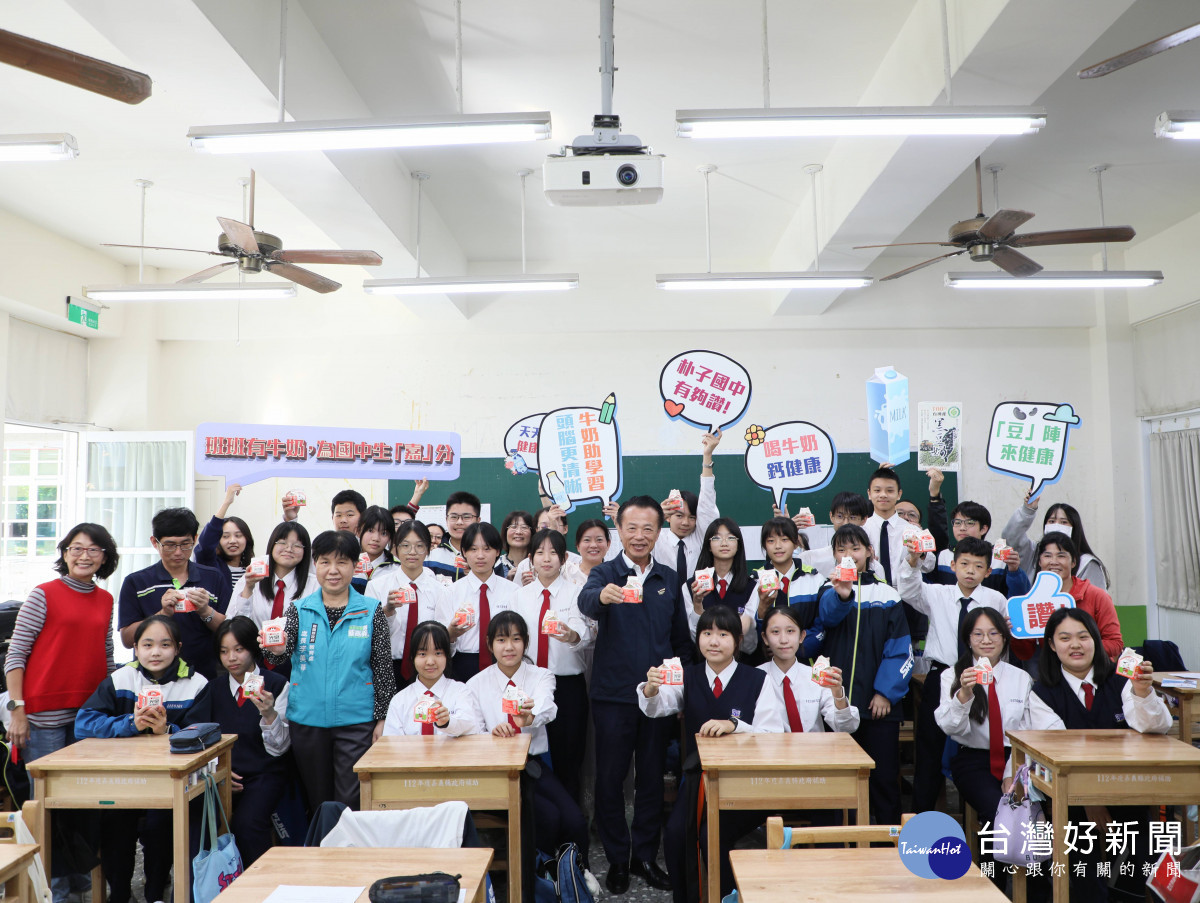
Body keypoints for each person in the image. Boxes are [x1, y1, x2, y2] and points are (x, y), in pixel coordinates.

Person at [579, 495, 693, 895]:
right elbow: (587, 601)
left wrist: (682, 697)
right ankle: (616, 858)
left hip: (658, 697)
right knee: (611, 780)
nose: (639, 536)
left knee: (650, 779)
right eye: (632, 528)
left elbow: (680, 638)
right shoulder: (604, 573)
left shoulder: (668, 579)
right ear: (619, 531)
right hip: (613, 696)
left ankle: (644, 856)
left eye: (648, 528)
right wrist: (602, 597)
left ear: (658, 532)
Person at [5, 523, 119, 903]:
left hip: (87, 720)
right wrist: (17, 710)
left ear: (105, 557)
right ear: (65, 552)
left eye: (93, 549)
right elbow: (15, 656)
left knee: (84, 805)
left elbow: (105, 659)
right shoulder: (43, 595)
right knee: (48, 808)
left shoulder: (106, 600)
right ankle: (51, 888)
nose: (84, 555)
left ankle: (80, 886)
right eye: (76, 548)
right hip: (42, 718)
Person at [640, 606, 784, 903]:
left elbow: (773, 734)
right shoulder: (687, 676)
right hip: (698, 781)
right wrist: (652, 689)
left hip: (746, 782)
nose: (714, 641)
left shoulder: (757, 679)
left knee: (712, 836)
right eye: (707, 634)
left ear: (738, 640)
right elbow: (659, 706)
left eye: (722, 634)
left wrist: (734, 725)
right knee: (677, 835)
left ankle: (729, 897)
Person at [1027, 607, 1170, 899]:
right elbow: (1060, 751)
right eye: (1065, 638)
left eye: (1083, 636)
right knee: (1083, 858)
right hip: (1070, 794)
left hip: (1126, 788)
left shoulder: (1121, 682)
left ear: (1096, 639)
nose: (1076, 645)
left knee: (1145, 851)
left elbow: (1157, 726)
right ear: (1052, 645)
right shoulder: (1042, 693)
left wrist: (1143, 692)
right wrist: (1088, 800)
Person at [75, 615, 207, 903]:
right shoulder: (121, 678)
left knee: (161, 826)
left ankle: (155, 893)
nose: (155, 652)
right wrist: (130, 725)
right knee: (113, 822)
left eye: (164, 645)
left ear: (178, 648)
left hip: (171, 782)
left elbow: (205, 733)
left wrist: (168, 731)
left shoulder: (196, 683)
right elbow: (83, 723)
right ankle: (119, 894)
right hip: (124, 778)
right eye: (147, 645)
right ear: (135, 647)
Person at [261, 530, 396, 810]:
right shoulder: (298, 609)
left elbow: (383, 668)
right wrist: (272, 650)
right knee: (318, 800)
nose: (333, 571)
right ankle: (322, 852)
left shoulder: (371, 611)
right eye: (324, 562)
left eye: (342, 562)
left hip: (356, 722)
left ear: (355, 566)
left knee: (350, 799)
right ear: (315, 565)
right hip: (308, 721)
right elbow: (277, 655)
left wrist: (383, 718)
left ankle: (347, 852)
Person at [467, 611, 590, 864]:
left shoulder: (541, 675)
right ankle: (538, 878)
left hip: (533, 765)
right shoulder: (476, 684)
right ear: (490, 644)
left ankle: (577, 875)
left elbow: (548, 707)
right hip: (497, 770)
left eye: (516, 639)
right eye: (501, 640)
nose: (509, 647)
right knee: (548, 817)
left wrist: (530, 717)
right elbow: (474, 732)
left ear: (525, 642)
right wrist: (492, 733)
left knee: (575, 820)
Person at [896, 536, 1006, 813]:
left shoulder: (995, 599)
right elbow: (908, 589)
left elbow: (1002, 641)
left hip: (983, 678)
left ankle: (985, 811)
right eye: (964, 564)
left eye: (978, 566)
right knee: (930, 748)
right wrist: (912, 560)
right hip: (942, 674)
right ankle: (922, 815)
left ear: (988, 571)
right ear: (953, 565)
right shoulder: (938, 593)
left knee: (980, 744)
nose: (970, 571)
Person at [818, 524, 912, 824]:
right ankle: (839, 846)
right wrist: (843, 594)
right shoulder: (827, 589)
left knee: (883, 779)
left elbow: (900, 649)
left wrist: (886, 692)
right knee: (837, 782)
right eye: (841, 550)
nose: (849, 555)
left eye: (855, 548)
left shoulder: (887, 594)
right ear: (834, 555)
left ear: (869, 552)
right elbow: (826, 619)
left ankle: (888, 845)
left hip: (879, 707)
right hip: (837, 705)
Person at [185, 617, 290, 867]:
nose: (231, 658)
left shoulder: (277, 685)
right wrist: (216, 770)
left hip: (264, 774)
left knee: (248, 823)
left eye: (238, 649)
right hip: (220, 775)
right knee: (195, 818)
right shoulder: (213, 689)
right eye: (223, 651)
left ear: (253, 649)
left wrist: (269, 713)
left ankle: (259, 887)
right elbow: (194, 737)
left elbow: (281, 748)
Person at [934, 608, 1031, 874]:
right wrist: (964, 693)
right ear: (967, 638)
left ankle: (1035, 890)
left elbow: (1027, 731)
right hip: (973, 760)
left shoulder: (1020, 678)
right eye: (978, 634)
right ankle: (992, 885)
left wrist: (1013, 774)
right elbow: (949, 727)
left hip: (1017, 759)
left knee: (1032, 812)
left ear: (1004, 638)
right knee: (997, 813)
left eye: (993, 633)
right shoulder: (952, 676)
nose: (986, 640)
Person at [513, 529, 595, 803]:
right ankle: (537, 824)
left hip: (567, 686)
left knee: (568, 758)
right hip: (529, 685)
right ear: (530, 559)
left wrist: (570, 634)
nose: (546, 559)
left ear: (564, 558)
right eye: (539, 553)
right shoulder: (520, 596)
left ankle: (571, 828)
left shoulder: (577, 592)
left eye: (553, 553)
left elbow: (585, 632)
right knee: (529, 756)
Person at [117, 507, 229, 680]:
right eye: (169, 545)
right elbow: (126, 639)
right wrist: (163, 615)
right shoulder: (136, 582)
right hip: (152, 681)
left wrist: (205, 612)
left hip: (204, 677)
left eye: (185, 544)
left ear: (195, 539)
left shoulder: (213, 577)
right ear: (155, 542)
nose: (178, 552)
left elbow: (228, 632)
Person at [1010, 533, 1123, 663]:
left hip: (1094, 673)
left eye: (1061, 556)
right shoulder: (1033, 600)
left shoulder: (1097, 596)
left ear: (1074, 562)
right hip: (1054, 675)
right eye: (1047, 556)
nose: (1054, 562)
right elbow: (1025, 653)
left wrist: (1079, 650)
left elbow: (1115, 643)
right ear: (1040, 562)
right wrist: (1016, 632)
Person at [367, 520, 448, 689]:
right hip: (388, 668)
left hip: (428, 669)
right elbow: (370, 636)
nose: (412, 552)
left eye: (419, 546)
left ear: (428, 549)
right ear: (395, 548)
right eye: (405, 546)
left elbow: (443, 636)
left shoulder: (441, 591)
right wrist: (388, 611)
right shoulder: (377, 586)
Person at [436, 522, 517, 681]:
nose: (480, 555)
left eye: (487, 549)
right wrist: (451, 634)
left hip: (504, 664)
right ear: (464, 552)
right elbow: (439, 641)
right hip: (462, 665)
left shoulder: (514, 592)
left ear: (497, 552)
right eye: (473, 549)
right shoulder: (450, 593)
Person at [758, 606, 858, 734]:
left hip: (813, 751)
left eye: (790, 631)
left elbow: (846, 727)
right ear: (765, 638)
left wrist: (838, 694)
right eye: (775, 632)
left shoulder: (817, 676)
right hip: (771, 751)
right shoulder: (755, 677)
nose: (783, 640)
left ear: (802, 636)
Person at [382, 620, 483, 736]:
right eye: (422, 654)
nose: (430, 662)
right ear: (412, 657)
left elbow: (470, 726)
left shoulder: (461, 691)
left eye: (438, 653)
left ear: (447, 656)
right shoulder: (400, 700)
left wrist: (447, 723)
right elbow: (392, 744)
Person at [653, 430, 722, 595]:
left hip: (699, 604)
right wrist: (656, 518)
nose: (685, 522)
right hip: (664, 606)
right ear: (668, 517)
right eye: (679, 515)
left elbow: (706, 501)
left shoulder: (701, 536)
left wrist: (707, 456)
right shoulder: (655, 539)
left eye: (692, 517)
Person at [1004, 494, 1111, 591]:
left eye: (1064, 522)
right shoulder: (1033, 552)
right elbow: (1010, 537)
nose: (1056, 526)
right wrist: (1027, 511)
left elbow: (1098, 602)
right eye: (1051, 521)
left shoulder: (1087, 563)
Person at [755, 517, 824, 662]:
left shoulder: (814, 578)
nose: (778, 546)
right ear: (764, 546)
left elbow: (821, 625)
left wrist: (795, 647)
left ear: (795, 543)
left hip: (807, 663)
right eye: (771, 541)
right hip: (766, 664)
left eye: (784, 539)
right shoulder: (755, 580)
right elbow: (750, 629)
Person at [928, 501, 1031, 598]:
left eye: (970, 523)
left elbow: (1019, 597)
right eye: (957, 522)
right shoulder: (943, 556)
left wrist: (1014, 571)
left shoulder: (1000, 558)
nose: (962, 528)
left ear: (983, 529)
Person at [227, 521, 317, 631]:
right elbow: (234, 623)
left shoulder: (314, 585)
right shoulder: (250, 578)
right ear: (272, 545)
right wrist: (249, 588)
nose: (289, 549)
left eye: (297, 545)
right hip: (256, 646)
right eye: (282, 543)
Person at [684, 518, 756, 654]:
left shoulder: (752, 586)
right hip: (703, 664)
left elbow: (748, 637)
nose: (724, 543)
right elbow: (693, 635)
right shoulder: (690, 586)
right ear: (708, 546)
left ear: (738, 545)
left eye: (730, 538)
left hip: (741, 662)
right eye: (716, 538)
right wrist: (698, 604)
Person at [195, 483, 254, 589]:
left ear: (247, 539)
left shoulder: (254, 568)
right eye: (225, 536)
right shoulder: (212, 565)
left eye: (238, 535)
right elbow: (205, 544)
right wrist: (226, 502)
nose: (232, 541)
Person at [427, 491, 483, 581]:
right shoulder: (432, 557)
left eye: (467, 517)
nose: (459, 522)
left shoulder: (489, 557)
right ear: (446, 519)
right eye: (454, 517)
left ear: (478, 520)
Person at [354, 505, 396, 590]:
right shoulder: (346, 563)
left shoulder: (396, 569)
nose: (376, 538)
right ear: (358, 531)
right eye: (370, 531)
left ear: (390, 537)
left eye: (384, 533)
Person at [498, 510, 536, 578]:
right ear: (505, 532)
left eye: (524, 527)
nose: (518, 532)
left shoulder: (539, 564)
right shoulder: (495, 564)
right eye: (513, 527)